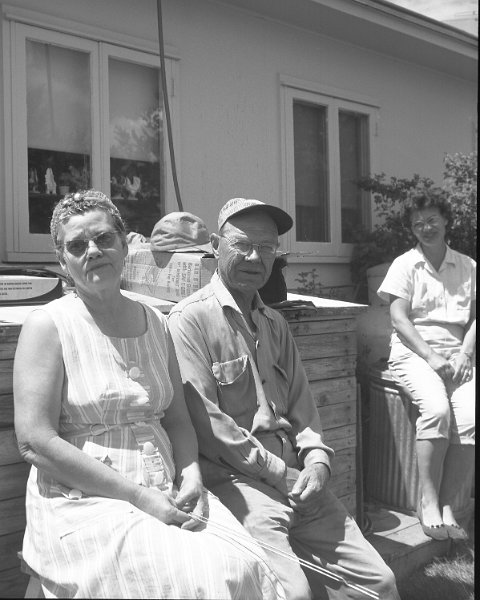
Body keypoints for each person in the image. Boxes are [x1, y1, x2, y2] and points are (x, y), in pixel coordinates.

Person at [13, 190, 285, 599]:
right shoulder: (48, 325)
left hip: (166, 486)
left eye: (104, 238)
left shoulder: (156, 323)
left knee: (241, 565)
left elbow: (176, 418)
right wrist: (138, 496)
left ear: (124, 245)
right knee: (193, 579)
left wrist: (190, 472)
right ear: (62, 261)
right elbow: (35, 441)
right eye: (76, 245)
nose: (93, 251)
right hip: (85, 499)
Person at [168, 197, 400, 600]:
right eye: (242, 244)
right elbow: (206, 425)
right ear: (215, 244)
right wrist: (277, 472)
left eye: (267, 247)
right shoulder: (189, 320)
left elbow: (302, 406)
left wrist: (318, 460)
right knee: (291, 594)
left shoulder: (275, 322)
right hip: (237, 484)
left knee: (378, 583)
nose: (255, 256)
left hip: (297, 479)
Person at [377, 187, 475, 541]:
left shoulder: (468, 266)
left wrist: (464, 353)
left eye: (432, 219)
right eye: (418, 223)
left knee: (472, 416)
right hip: (414, 351)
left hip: (458, 354)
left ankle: (450, 504)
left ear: (446, 221)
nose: (426, 227)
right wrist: (432, 357)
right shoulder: (405, 264)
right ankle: (428, 500)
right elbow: (399, 318)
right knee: (436, 409)